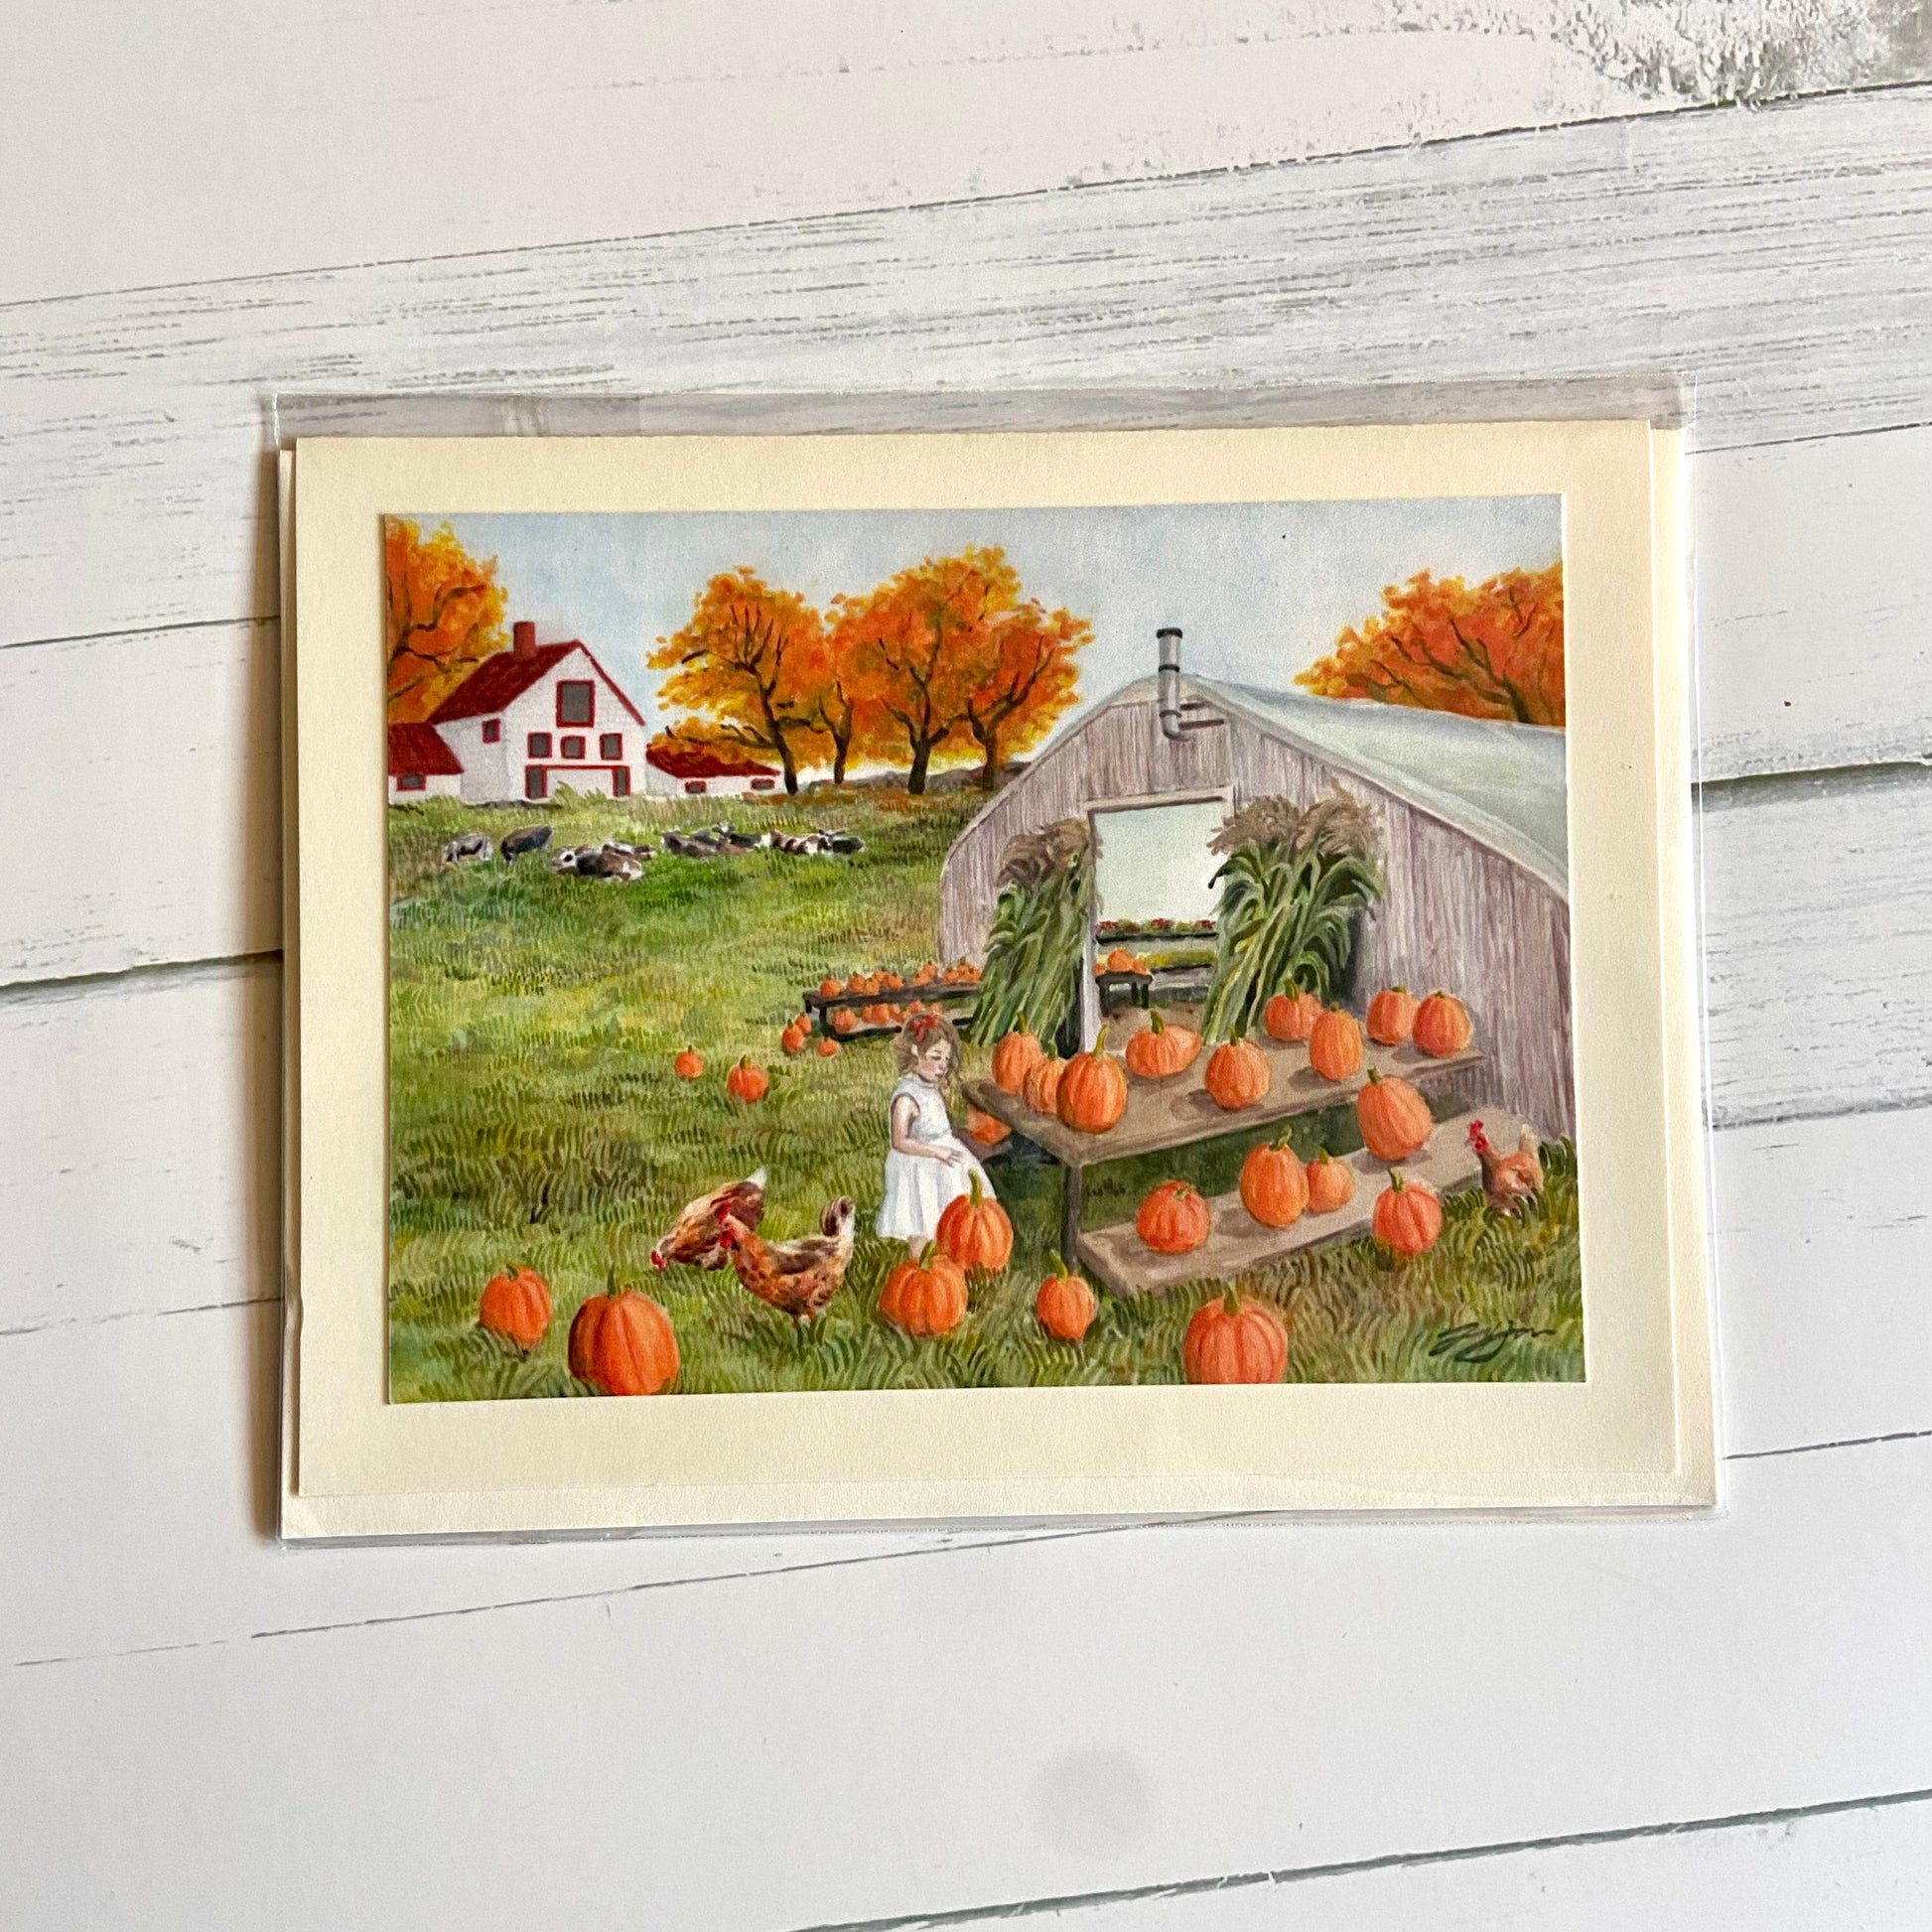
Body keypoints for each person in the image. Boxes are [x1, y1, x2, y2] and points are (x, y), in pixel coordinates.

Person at [876, 1012, 995, 1249]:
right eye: (936, 1057)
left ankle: (954, 1248)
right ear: (915, 1052)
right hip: (918, 1163)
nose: (942, 1066)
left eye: (947, 1059)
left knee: (953, 1199)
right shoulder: (907, 1096)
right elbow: (899, 1141)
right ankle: (922, 1261)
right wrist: (935, 1152)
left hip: (943, 1152)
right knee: (921, 1214)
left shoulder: (929, 1087)